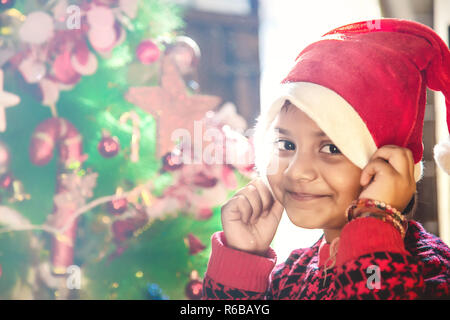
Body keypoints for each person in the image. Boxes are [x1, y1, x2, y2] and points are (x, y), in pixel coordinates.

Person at [201, 18, 450, 300]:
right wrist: (241, 262)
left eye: (331, 148)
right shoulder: (290, 276)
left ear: (390, 166)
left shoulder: (432, 271)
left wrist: (374, 222)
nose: (297, 172)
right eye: (286, 144)